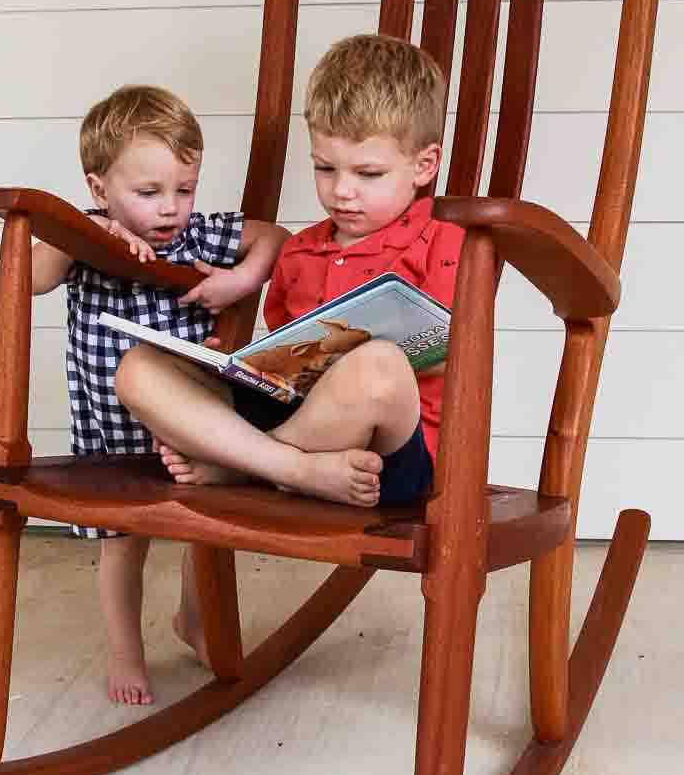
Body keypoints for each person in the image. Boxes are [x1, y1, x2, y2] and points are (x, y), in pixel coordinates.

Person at [114, 34, 465, 515]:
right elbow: (287, 375)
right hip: (300, 432)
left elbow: (459, 355)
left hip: (387, 455)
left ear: (424, 165)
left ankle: (240, 466)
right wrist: (243, 366)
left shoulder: (446, 239)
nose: (342, 191)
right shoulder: (299, 252)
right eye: (325, 168)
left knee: (378, 364)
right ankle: (285, 467)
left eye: (368, 175)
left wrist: (360, 356)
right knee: (139, 367)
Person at [30, 84, 290, 705]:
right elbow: (30, 277)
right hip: (113, 436)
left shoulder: (199, 237)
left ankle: (193, 621)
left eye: (184, 189)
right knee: (125, 544)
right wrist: (92, 235)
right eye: (149, 194)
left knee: (205, 530)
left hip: (191, 428)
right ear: (100, 189)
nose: (170, 208)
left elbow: (277, 239)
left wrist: (241, 280)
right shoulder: (87, 241)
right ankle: (125, 651)